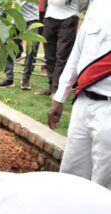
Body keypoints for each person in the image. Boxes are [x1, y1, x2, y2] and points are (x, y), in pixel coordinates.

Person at [48, 0, 111, 190]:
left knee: (102, 183)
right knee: (70, 173)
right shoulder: (99, 3)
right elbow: (79, 50)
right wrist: (60, 97)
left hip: (109, 109)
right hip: (83, 102)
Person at [37, 0, 86, 96]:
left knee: (62, 56)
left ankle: (57, 90)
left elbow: (85, 2)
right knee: (49, 55)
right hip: (50, 16)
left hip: (69, 17)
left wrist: (74, 9)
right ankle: (51, 85)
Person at [0, 1, 40, 90]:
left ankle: (26, 79)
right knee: (9, 45)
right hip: (15, 19)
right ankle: (9, 78)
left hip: (31, 19)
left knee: (32, 48)